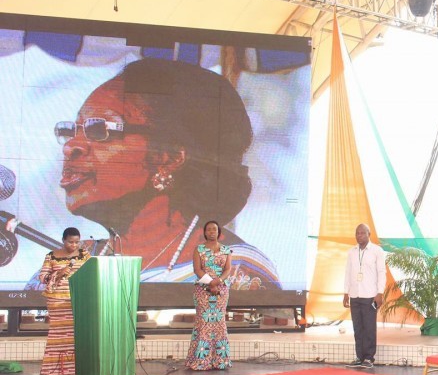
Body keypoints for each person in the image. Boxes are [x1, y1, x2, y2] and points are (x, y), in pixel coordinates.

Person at [50, 58, 279, 289]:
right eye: (72, 130)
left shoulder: (234, 271)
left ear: (168, 158)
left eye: (99, 129)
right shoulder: (71, 264)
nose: (70, 146)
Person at [37, 227, 91, 375]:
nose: (73, 245)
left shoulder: (84, 255)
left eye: (76, 242)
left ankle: (77, 371)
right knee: (58, 335)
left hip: (79, 300)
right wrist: (58, 274)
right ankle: (56, 371)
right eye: (70, 242)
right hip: (57, 300)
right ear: (63, 240)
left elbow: (92, 272)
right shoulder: (52, 256)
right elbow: (42, 277)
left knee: (76, 334)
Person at [186, 220, 233, 371]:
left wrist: (217, 281)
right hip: (202, 290)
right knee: (204, 323)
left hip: (221, 290)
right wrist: (209, 283)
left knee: (219, 324)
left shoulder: (226, 250)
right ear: (205, 232)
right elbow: (197, 269)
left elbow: (228, 270)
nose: (212, 231)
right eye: (209, 229)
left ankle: (220, 361)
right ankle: (200, 361)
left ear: (219, 232)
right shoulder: (198, 249)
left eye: (214, 229)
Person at [342, 224, 386, 369]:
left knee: (369, 327)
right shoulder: (352, 252)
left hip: (370, 295)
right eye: (357, 233)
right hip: (355, 294)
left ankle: (369, 358)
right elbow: (348, 273)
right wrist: (345, 293)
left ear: (369, 234)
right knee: (357, 327)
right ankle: (359, 357)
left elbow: (381, 272)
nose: (359, 235)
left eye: (362, 233)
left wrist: (380, 293)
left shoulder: (377, 251)